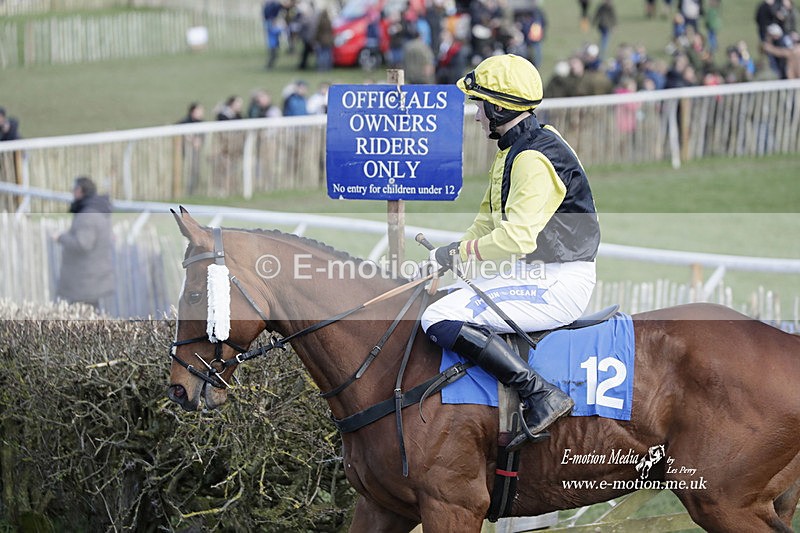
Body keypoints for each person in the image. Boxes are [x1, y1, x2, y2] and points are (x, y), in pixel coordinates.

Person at [421, 54, 600, 450]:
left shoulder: (533, 159)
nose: (476, 114)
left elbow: (516, 238)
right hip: (536, 271)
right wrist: (444, 260)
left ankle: (541, 394)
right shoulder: (513, 150)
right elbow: (486, 224)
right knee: (447, 300)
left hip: (558, 281)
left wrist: (458, 253)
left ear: (498, 108)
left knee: (437, 316)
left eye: (479, 105)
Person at [56, 177, 115, 310]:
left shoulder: (87, 215)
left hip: (86, 281)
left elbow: (83, 244)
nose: (72, 193)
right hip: (92, 278)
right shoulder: (97, 209)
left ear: (80, 191)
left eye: (74, 189)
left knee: (84, 319)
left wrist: (61, 237)